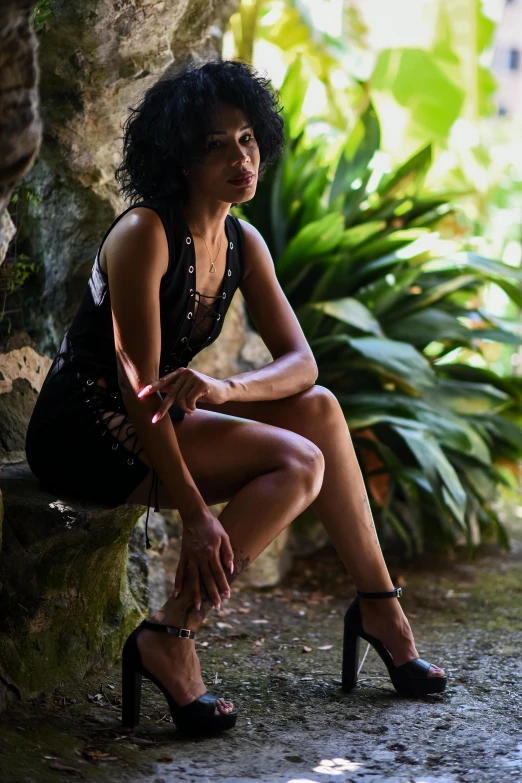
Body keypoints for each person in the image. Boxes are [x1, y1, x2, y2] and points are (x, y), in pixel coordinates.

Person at [25, 59, 446, 737]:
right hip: (87, 428)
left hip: (158, 413)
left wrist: (225, 386)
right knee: (300, 462)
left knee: (321, 410)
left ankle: (378, 603)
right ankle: (172, 632)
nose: (238, 157)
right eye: (214, 145)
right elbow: (139, 385)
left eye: (246, 139)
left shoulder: (242, 242)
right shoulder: (145, 234)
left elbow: (302, 365)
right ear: (180, 159)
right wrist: (196, 513)